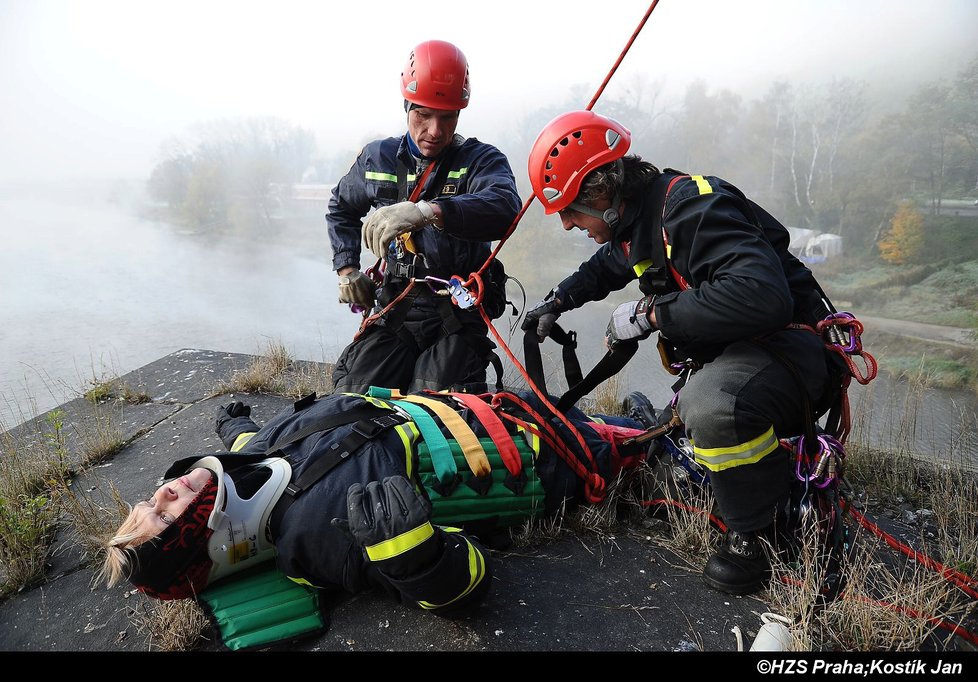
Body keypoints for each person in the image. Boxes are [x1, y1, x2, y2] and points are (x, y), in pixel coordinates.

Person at [522, 110, 842, 596]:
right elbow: (610, 264)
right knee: (682, 448)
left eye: (570, 209)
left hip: (790, 352)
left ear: (602, 191)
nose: (567, 224)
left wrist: (651, 315)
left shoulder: (692, 208)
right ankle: (759, 476)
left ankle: (761, 534)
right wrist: (560, 299)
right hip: (748, 352)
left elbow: (761, 296)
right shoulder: (642, 219)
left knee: (710, 405)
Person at [102, 388, 647, 617]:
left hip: (475, 409)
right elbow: (468, 589)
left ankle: (628, 422)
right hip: (527, 459)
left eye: (149, 501)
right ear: (214, 543)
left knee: (575, 412)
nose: (165, 494)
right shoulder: (321, 541)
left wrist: (235, 422)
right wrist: (420, 562)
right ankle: (653, 437)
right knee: (634, 442)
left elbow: (249, 443)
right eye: (163, 519)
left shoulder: (252, 459)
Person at [327, 39, 521, 394]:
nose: (435, 130)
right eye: (423, 115)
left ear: (459, 114)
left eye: (447, 118)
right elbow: (341, 208)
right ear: (407, 106)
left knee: (437, 405)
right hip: (398, 303)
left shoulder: (480, 161)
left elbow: (504, 207)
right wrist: (348, 270)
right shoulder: (378, 160)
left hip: (458, 310)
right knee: (353, 397)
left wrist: (429, 211)